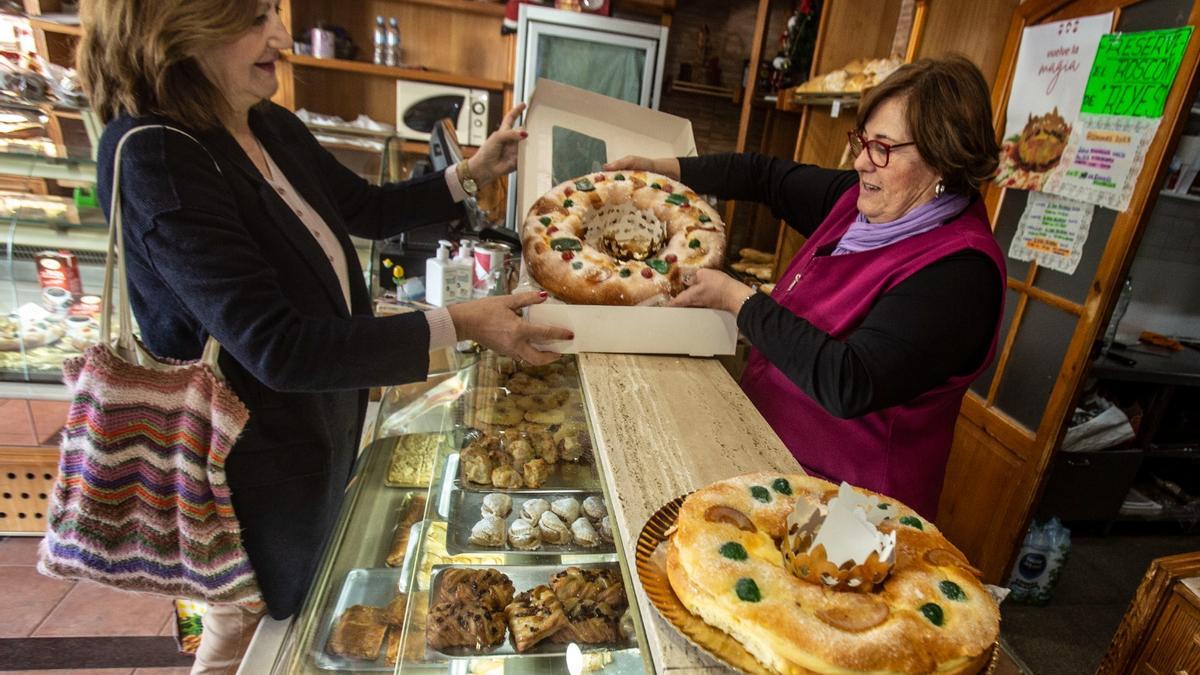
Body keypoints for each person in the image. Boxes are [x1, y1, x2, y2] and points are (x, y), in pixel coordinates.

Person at [78, 1, 569, 672]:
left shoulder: (262, 121)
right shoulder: (158, 157)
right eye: (254, 19)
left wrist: (470, 172)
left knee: (280, 621)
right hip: (243, 473)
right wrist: (457, 322)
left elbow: (362, 206)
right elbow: (279, 347)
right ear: (176, 31)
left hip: (317, 431)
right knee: (247, 627)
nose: (280, 37)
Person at [607, 56, 1006, 521]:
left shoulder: (960, 274)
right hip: (771, 465)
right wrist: (663, 168)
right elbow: (764, 176)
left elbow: (849, 380)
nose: (861, 162)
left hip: (852, 513)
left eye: (882, 148)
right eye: (862, 140)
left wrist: (738, 300)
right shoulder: (856, 204)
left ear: (943, 159)